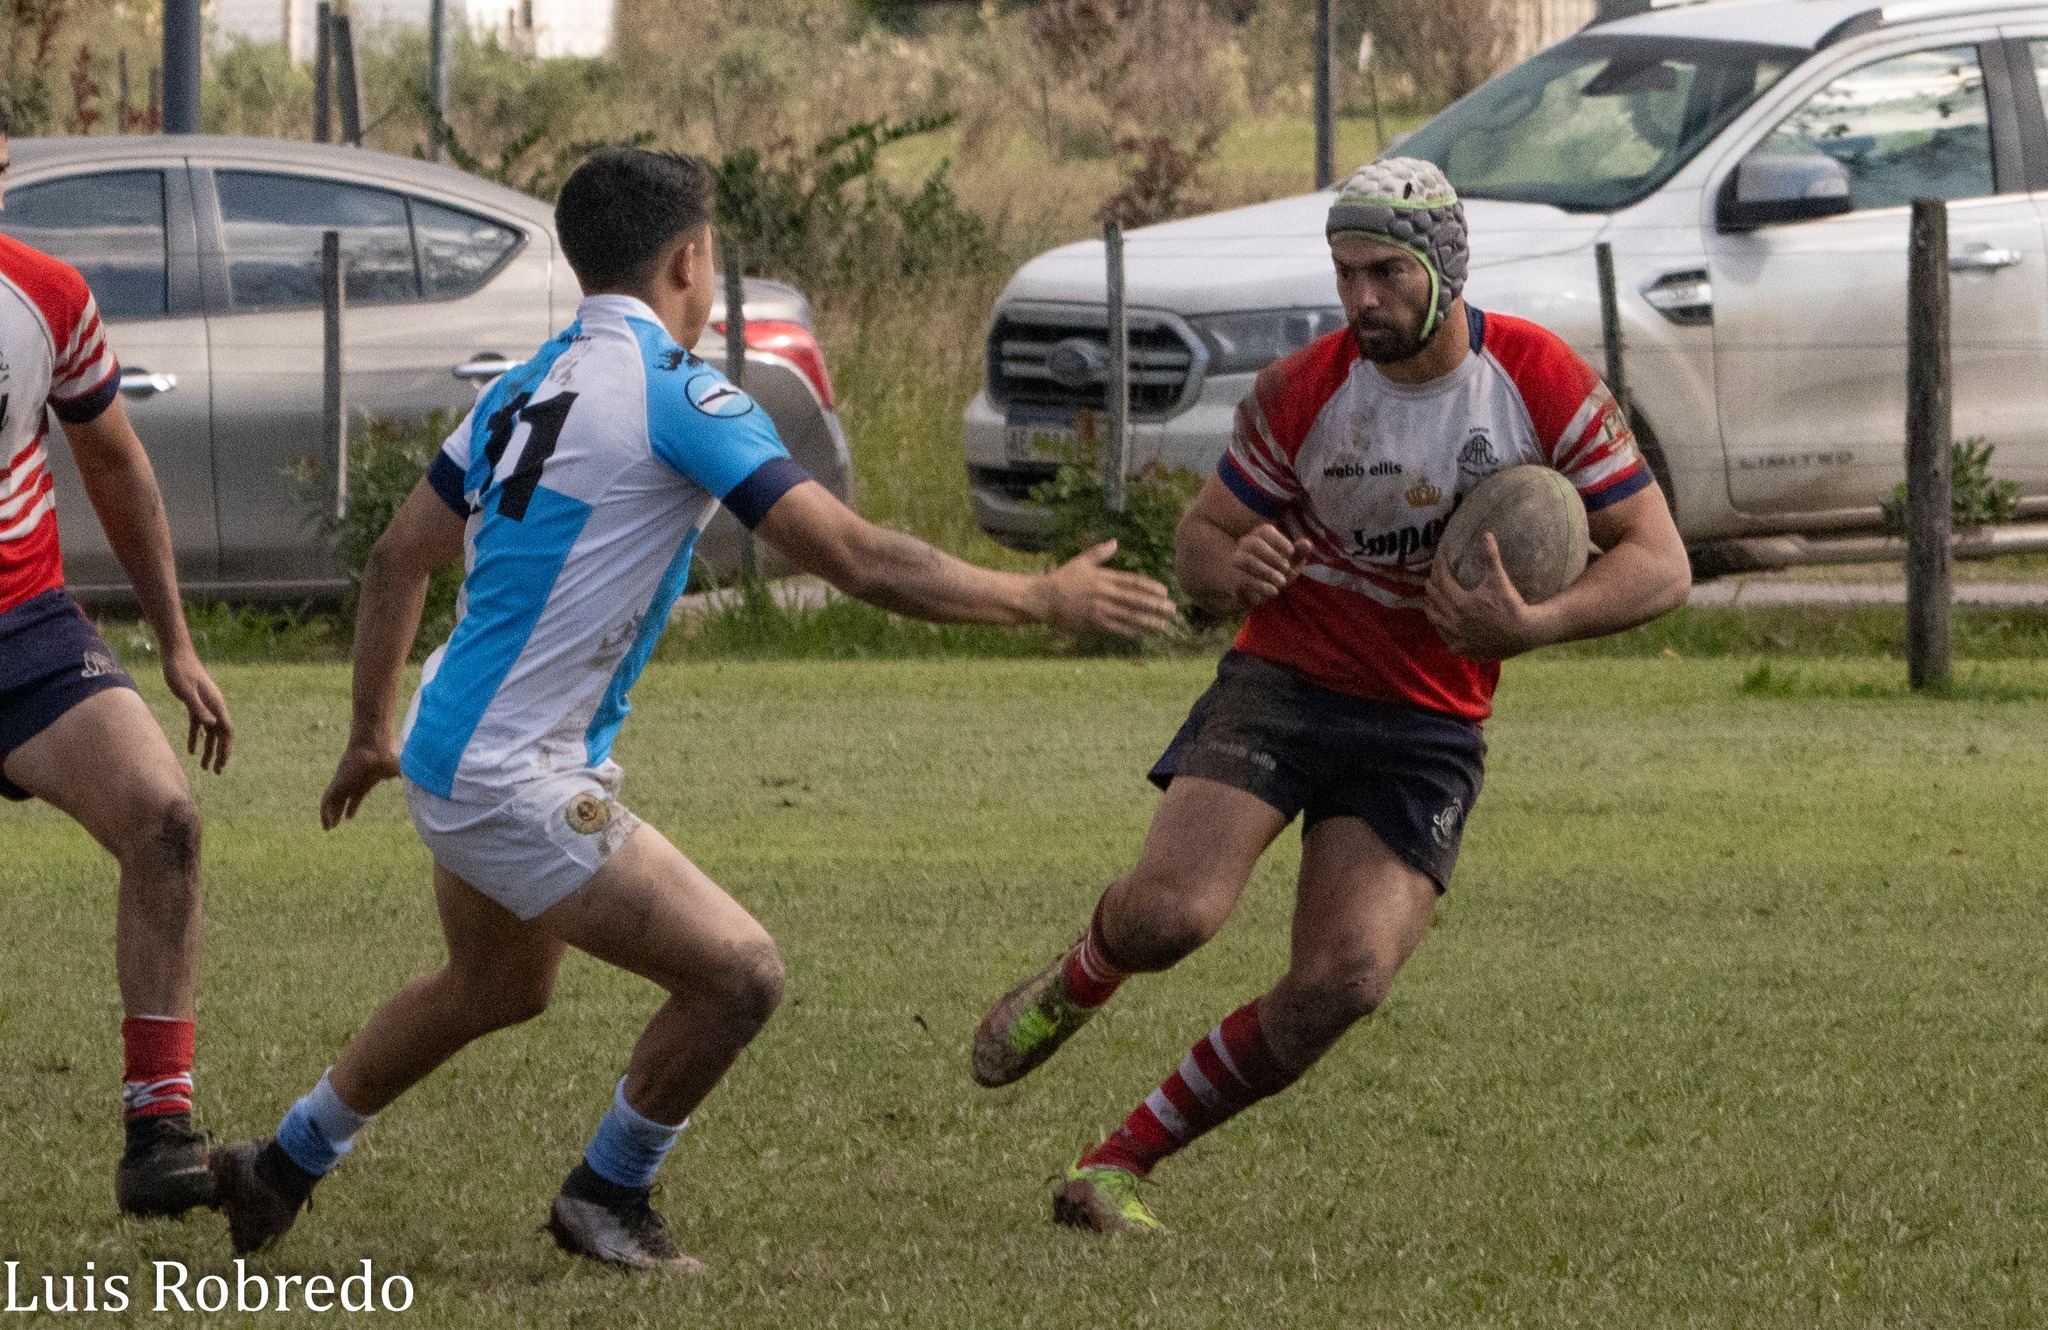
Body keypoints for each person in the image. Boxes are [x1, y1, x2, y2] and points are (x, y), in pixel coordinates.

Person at [207, 148, 1177, 1270]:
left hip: (445, 740)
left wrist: (371, 733)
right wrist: (1041, 596)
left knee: (494, 986)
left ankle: (278, 1165)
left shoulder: (521, 386)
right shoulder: (677, 392)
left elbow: (394, 559)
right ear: (691, 259)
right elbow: (857, 556)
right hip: (510, 774)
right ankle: (604, 1195)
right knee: (737, 974)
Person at [971, 158, 1692, 1233]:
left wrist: (1536, 624)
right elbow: (1200, 546)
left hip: (1425, 722)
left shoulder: (1537, 380)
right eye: (1344, 271)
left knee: (1345, 979)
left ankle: (1117, 1165)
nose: (1359, 297)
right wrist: (1233, 567)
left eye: (1384, 272)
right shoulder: (1302, 389)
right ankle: (1083, 975)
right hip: (1287, 681)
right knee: (1172, 915)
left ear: (1444, 269)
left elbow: (1659, 560)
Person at [0, 106, 236, 1217]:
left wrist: (175, 641)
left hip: (25, 628)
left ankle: (159, 1122)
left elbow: (115, 465)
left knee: (165, 819)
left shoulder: (46, 296)